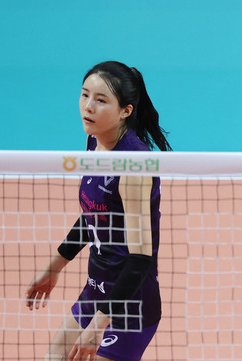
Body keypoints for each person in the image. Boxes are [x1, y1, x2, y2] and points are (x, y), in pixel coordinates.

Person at [25, 61, 172, 361]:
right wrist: (54, 268)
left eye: (101, 100)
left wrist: (100, 323)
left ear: (125, 111)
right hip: (95, 291)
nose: (87, 107)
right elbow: (96, 214)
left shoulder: (135, 166)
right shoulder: (95, 141)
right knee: (55, 356)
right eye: (84, 95)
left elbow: (140, 258)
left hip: (130, 305)